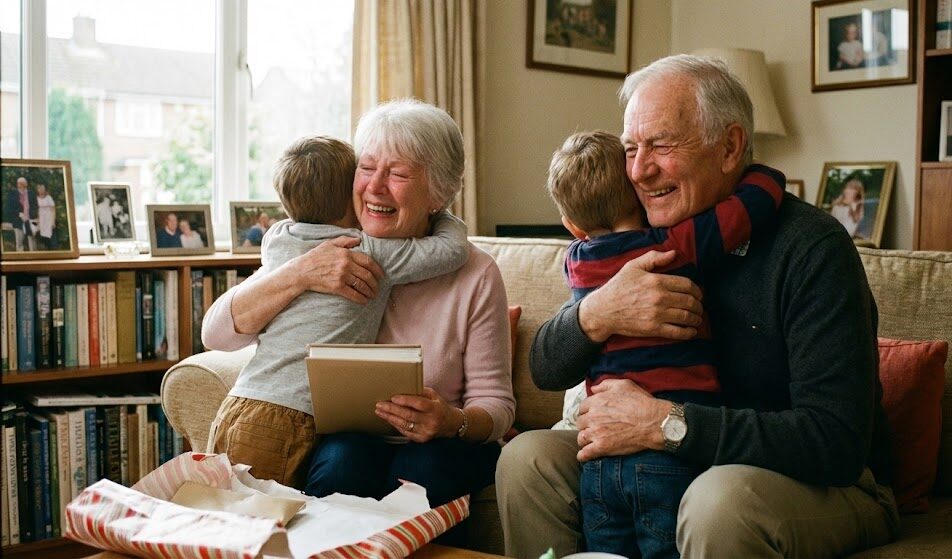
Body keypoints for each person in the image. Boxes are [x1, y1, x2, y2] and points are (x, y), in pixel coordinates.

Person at [496, 54, 898, 559]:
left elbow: (834, 443)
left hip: (817, 481)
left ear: (729, 147)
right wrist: (599, 311)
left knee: (717, 501)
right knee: (527, 459)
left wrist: (664, 423)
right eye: (631, 148)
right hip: (673, 462)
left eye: (662, 145)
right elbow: (545, 367)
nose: (640, 171)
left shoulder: (812, 246)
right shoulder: (640, 229)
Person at [202, 99, 515, 509]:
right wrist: (301, 273)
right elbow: (216, 335)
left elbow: (496, 405)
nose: (375, 186)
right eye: (366, 168)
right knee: (342, 461)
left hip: (440, 443)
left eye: (398, 173)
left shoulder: (475, 273)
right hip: (352, 437)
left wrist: (451, 421)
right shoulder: (324, 246)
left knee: (424, 469)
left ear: (438, 193)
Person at [544, 129, 784, 558]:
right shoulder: (672, 248)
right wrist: (761, 174)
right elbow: (747, 210)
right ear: (640, 199)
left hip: (597, 463)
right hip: (665, 460)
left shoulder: (575, 262)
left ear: (572, 226)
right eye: (634, 151)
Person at [4, 176, 38, 251]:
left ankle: (35, 259)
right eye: (19, 183)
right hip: (18, 220)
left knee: (32, 240)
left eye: (23, 183)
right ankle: (20, 257)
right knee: (19, 242)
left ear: (26, 184)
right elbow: (8, 208)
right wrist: (18, 214)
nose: (21, 184)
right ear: (17, 184)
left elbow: (35, 206)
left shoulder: (31, 193)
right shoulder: (12, 194)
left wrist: (35, 217)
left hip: (31, 220)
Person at [35, 183, 56, 250]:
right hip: (41, 219)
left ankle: (51, 250)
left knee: (48, 235)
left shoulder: (49, 198)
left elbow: (53, 210)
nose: (41, 190)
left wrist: (53, 221)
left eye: (42, 188)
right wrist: (37, 220)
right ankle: (45, 251)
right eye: (39, 188)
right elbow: (36, 210)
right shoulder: (36, 199)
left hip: (48, 218)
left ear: (45, 190)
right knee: (41, 235)